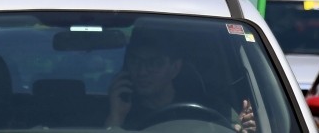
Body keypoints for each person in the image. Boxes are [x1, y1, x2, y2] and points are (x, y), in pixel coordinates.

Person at [106, 31, 256, 131]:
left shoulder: (213, 110)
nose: (142, 71)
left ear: (175, 67)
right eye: (135, 61)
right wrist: (115, 118)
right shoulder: (118, 109)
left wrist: (242, 129)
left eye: (154, 63)